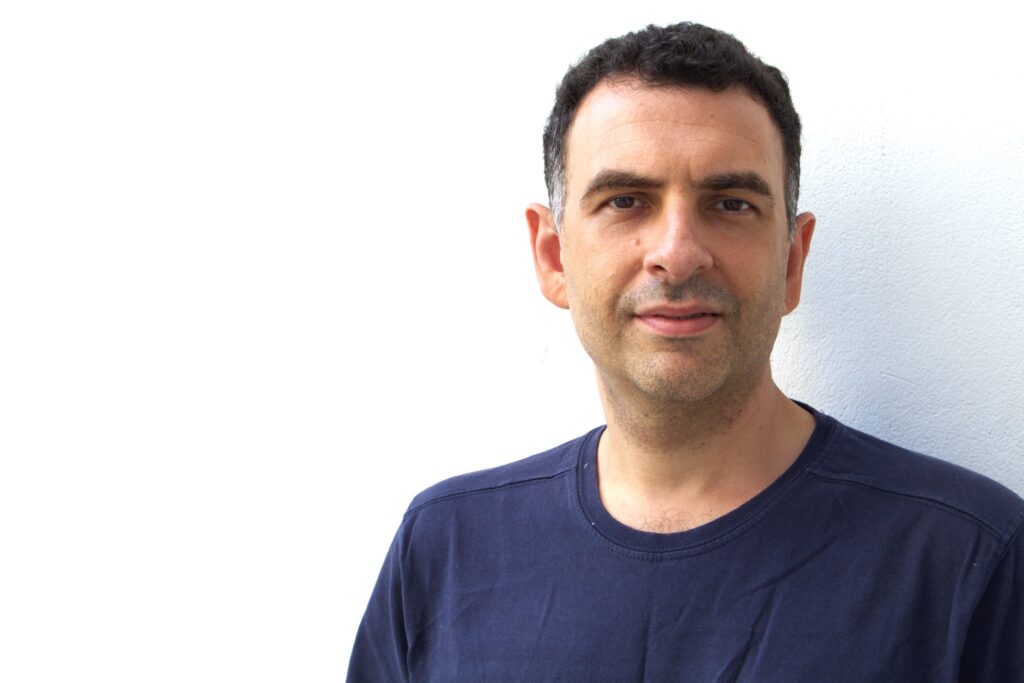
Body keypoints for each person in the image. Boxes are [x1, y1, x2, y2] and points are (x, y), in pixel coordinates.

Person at [347, 22, 1023, 682]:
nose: (677, 253)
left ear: (792, 261)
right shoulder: (445, 551)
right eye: (626, 200)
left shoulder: (967, 560)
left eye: (730, 204)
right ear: (553, 257)